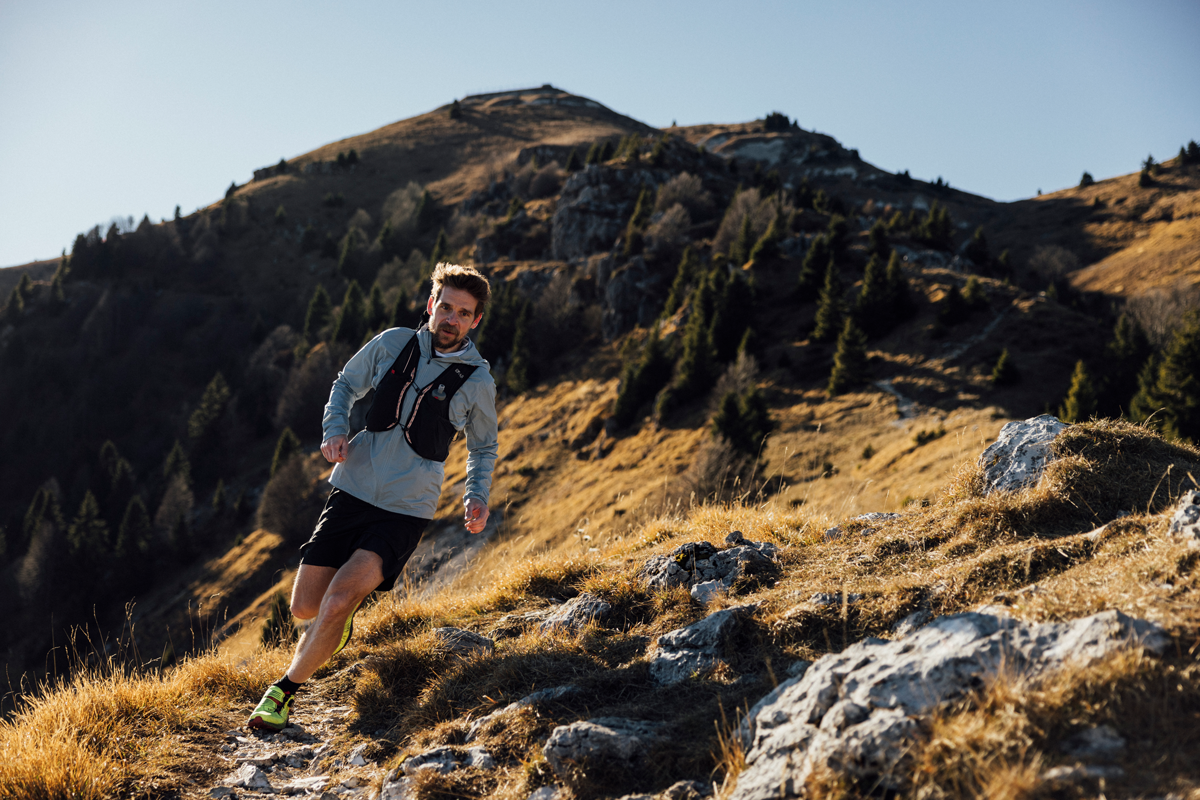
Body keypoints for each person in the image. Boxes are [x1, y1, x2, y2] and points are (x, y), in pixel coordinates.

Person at [248, 263, 498, 732]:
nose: (451, 319)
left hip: (406, 509)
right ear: (431, 305)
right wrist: (335, 429)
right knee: (304, 607)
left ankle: (281, 693)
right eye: (445, 307)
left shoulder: (478, 382)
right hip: (351, 489)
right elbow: (345, 384)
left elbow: (483, 447)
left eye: (463, 313)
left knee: (340, 597)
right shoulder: (392, 343)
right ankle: (334, 627)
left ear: (474, 321)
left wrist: (476, 496)